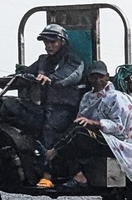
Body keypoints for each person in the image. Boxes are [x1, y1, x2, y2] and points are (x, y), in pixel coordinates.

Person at [51, 61, 132, 186]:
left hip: (115, 140)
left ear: (107, 77)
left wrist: (94, 123)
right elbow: (80, 120)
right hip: (94, 136)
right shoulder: (87, 97)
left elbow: (119, 128)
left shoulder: (116, 98)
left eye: (100, 77)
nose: (97, 80)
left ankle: (53, 154)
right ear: (89, 78)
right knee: (68, 134)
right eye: (94, 77)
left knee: (77, 133)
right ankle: (73, 173)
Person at [10, 24, 87, 180]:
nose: (48, 46)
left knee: (49, 126)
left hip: (67, 108)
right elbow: (25, 75)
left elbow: (68, 75)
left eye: (52, 42)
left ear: (62, 42)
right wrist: (3, 81)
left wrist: (51, 78)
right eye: (46, 42)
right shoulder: (43, 61)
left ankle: (48, 173)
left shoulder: (73, 60)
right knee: (15, 114)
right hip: (45, 107)